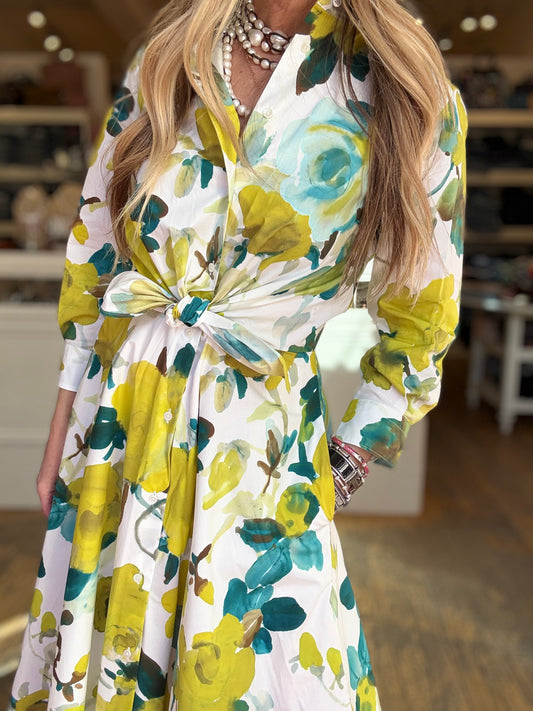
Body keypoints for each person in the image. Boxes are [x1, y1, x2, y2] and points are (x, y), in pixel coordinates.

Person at [10, 0, 467, 709]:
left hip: (264, 443)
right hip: (121, 421)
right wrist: (62, 425)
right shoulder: (170, 55)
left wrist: (346, 461)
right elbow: (97, 248)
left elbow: (423, 318)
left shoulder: (404, 82)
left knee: (257, 670)